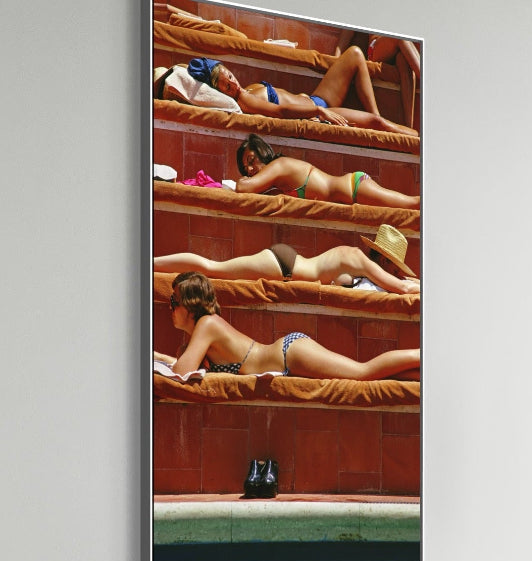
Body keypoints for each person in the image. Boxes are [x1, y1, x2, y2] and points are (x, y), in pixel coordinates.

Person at [162, 272, 419, 380]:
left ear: (189, 303)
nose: (170, 307)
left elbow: (180, 372)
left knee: (363, 373)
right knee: (370, 377)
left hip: (289, 354)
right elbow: (180, 364)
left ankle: (423, 356)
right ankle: (419, 372)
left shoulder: (207, 325)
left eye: (173, 300)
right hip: (288, 355)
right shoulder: (203, 331)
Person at [185, 52, 417, 136]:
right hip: (318, 109)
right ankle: (416, 138)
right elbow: (281, 110)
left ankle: (381, 124)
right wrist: (318, 110)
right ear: (220, 92)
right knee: (376, 122)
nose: (233, 84)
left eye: (230, 76)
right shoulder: (246, 101)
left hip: (315, 98)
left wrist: (316, 103)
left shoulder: (245, 90)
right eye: (227, 87)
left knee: (355, 55)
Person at [154, 224, 420, 294]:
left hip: (287, 263)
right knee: (212, 268)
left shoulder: (357, 260)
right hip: (284, 266)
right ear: (384, 260)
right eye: (394, 267)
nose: (394, 272)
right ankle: (152, 264)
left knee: (213, 268)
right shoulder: (361, 262)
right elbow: (400, 288)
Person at [235, 135, 419, 210]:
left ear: (262, 151)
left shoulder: (278, 166)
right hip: (352, 191)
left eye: (251, 161)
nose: (250, 169)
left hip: (354, 188)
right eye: (245, 168)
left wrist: (241, 180)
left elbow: (243, 187)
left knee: (412, 205)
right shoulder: (277, 184)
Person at [334, 31, 421, 129]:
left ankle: (409, 126)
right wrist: (335, 59)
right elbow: (345, 35)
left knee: (404, 60)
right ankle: (428, 81)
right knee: (401, 37)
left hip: (396, 55)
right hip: (375, 49)